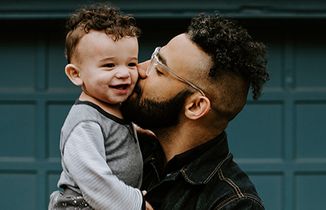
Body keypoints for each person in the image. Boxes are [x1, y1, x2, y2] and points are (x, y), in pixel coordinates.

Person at [121, 13, 269, 209]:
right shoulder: (125, 149)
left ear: (195, 106)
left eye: (159, 69)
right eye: (152, 58)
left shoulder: (232, 203)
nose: (138, 70)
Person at [49, 4, 152, 210]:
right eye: (109, 65)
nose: (124, 73)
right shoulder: (85, 122)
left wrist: (141, 133)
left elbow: (115, 136)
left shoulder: (115, 107)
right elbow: (94, 179)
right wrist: (137, 203)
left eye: (131, 64)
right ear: (75, 74)